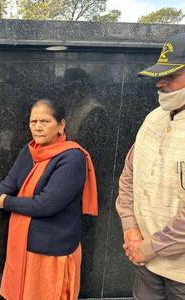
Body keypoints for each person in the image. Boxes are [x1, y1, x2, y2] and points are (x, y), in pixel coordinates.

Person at [0, 98, 98, 300]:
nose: (37, 127)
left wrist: (7, 203)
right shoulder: (30, 151)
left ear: (61, 124)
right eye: (33, 122)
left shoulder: (72, 158)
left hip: (51, 253)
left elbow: (48, 204)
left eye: (45, 121)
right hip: (24, 246)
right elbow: (9, 184)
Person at [116, 32, 185, 299]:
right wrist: (131, 230)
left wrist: (150, 247)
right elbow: (128, 177)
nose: (161, 83)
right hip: (144, 262)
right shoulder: (153, 119)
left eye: (172, 75)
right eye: (159, 76)